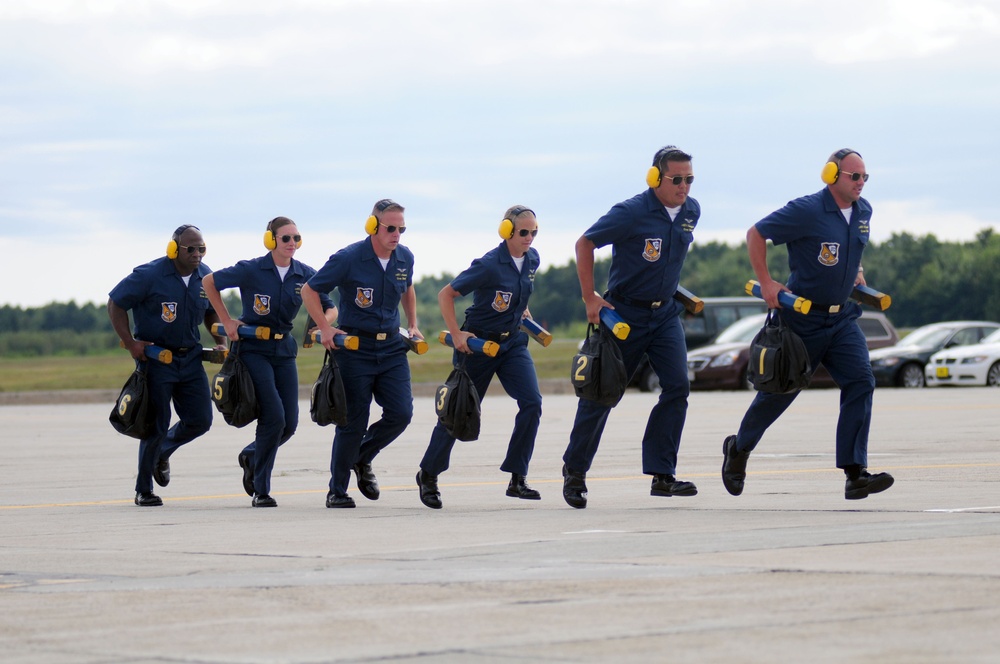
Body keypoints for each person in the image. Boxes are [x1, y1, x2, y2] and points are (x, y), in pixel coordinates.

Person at [722, 148, 894, 500]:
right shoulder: (806, 210)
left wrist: (857, 271)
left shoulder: (863, 211)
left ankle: (855, 473)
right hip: (801, 319)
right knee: (779, 393)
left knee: (861, 381)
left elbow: (852, 249)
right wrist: (767, 281)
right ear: (831, 175)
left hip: (842, 318)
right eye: (854, 176)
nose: (861, 183)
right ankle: (738, 449)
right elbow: (756, 234)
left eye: (865, 177)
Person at [561, 146, 701, 509]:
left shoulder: (691, 212)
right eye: (676, 179)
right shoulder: (632, 212)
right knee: (601, 392)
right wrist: (590, 297)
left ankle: (662, 475)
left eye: (689, 179)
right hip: (624, 316)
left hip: (665, 315)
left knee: (678, 387)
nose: (684, 186)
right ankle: (575, 473)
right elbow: (585, 243)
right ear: (655, 177)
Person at [202, 217, 336, 508]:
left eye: (296, 239)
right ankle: (261, 490)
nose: (292, 244)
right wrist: (226, 320)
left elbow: (329, 306)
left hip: (283, 349)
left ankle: (251, 455)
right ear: (271, 240)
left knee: (289, 423)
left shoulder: (305, 274)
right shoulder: (252, 269)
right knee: (273, 416)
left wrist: (321, 324)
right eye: (286, 238)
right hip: (252, 349)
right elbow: (209, 282)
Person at [416, 205, 544, 509]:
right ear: (507, 231)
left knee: (532, 403)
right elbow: (446, 294)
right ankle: (429, 475)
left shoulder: (532, 260)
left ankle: (517, 477)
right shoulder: (488, 264)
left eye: (534, 232)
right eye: (523, 232)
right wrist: (457, 335)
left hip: (512, 344)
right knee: (457, 411)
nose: (529, 238)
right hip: (478, 345)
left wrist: (521, 309)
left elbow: (517, 294)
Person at [301, 199, 423, 509]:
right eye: (390, 228)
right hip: (355, 349)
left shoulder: (404, 257)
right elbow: (309, 290)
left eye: (401, 229)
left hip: (392, 348)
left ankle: (362, 457)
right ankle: (337, 490)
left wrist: (412, 324)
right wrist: (324, 328)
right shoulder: (349, 258)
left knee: (401, 413)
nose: (397, 234)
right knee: (353, 421)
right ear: (373, 226)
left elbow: (408, 288)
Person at [108, 224, 227, 507]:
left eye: (201, 248)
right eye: (190, 248)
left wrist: (220, 340)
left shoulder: (204, 276)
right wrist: (132, 343)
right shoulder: (149, 275)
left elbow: (211, 311)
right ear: (174, 249)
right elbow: (115, 303)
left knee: (201, 420)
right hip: (157, 360)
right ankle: (143, 490)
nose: (197, 253)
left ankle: (162, 452)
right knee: (155, 425)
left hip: (190, 359)